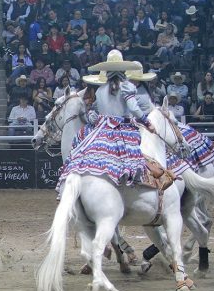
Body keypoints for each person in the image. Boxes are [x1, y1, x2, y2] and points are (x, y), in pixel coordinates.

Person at [58, 50, 149, 190]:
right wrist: (146, 122)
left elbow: (94, 112)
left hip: (101, 128)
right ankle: (134, 178)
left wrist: (92, 116)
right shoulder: (127, 86)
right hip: (122, 128)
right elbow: (134, 109)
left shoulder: (100, 90)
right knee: (134, 152)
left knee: (83, 148)